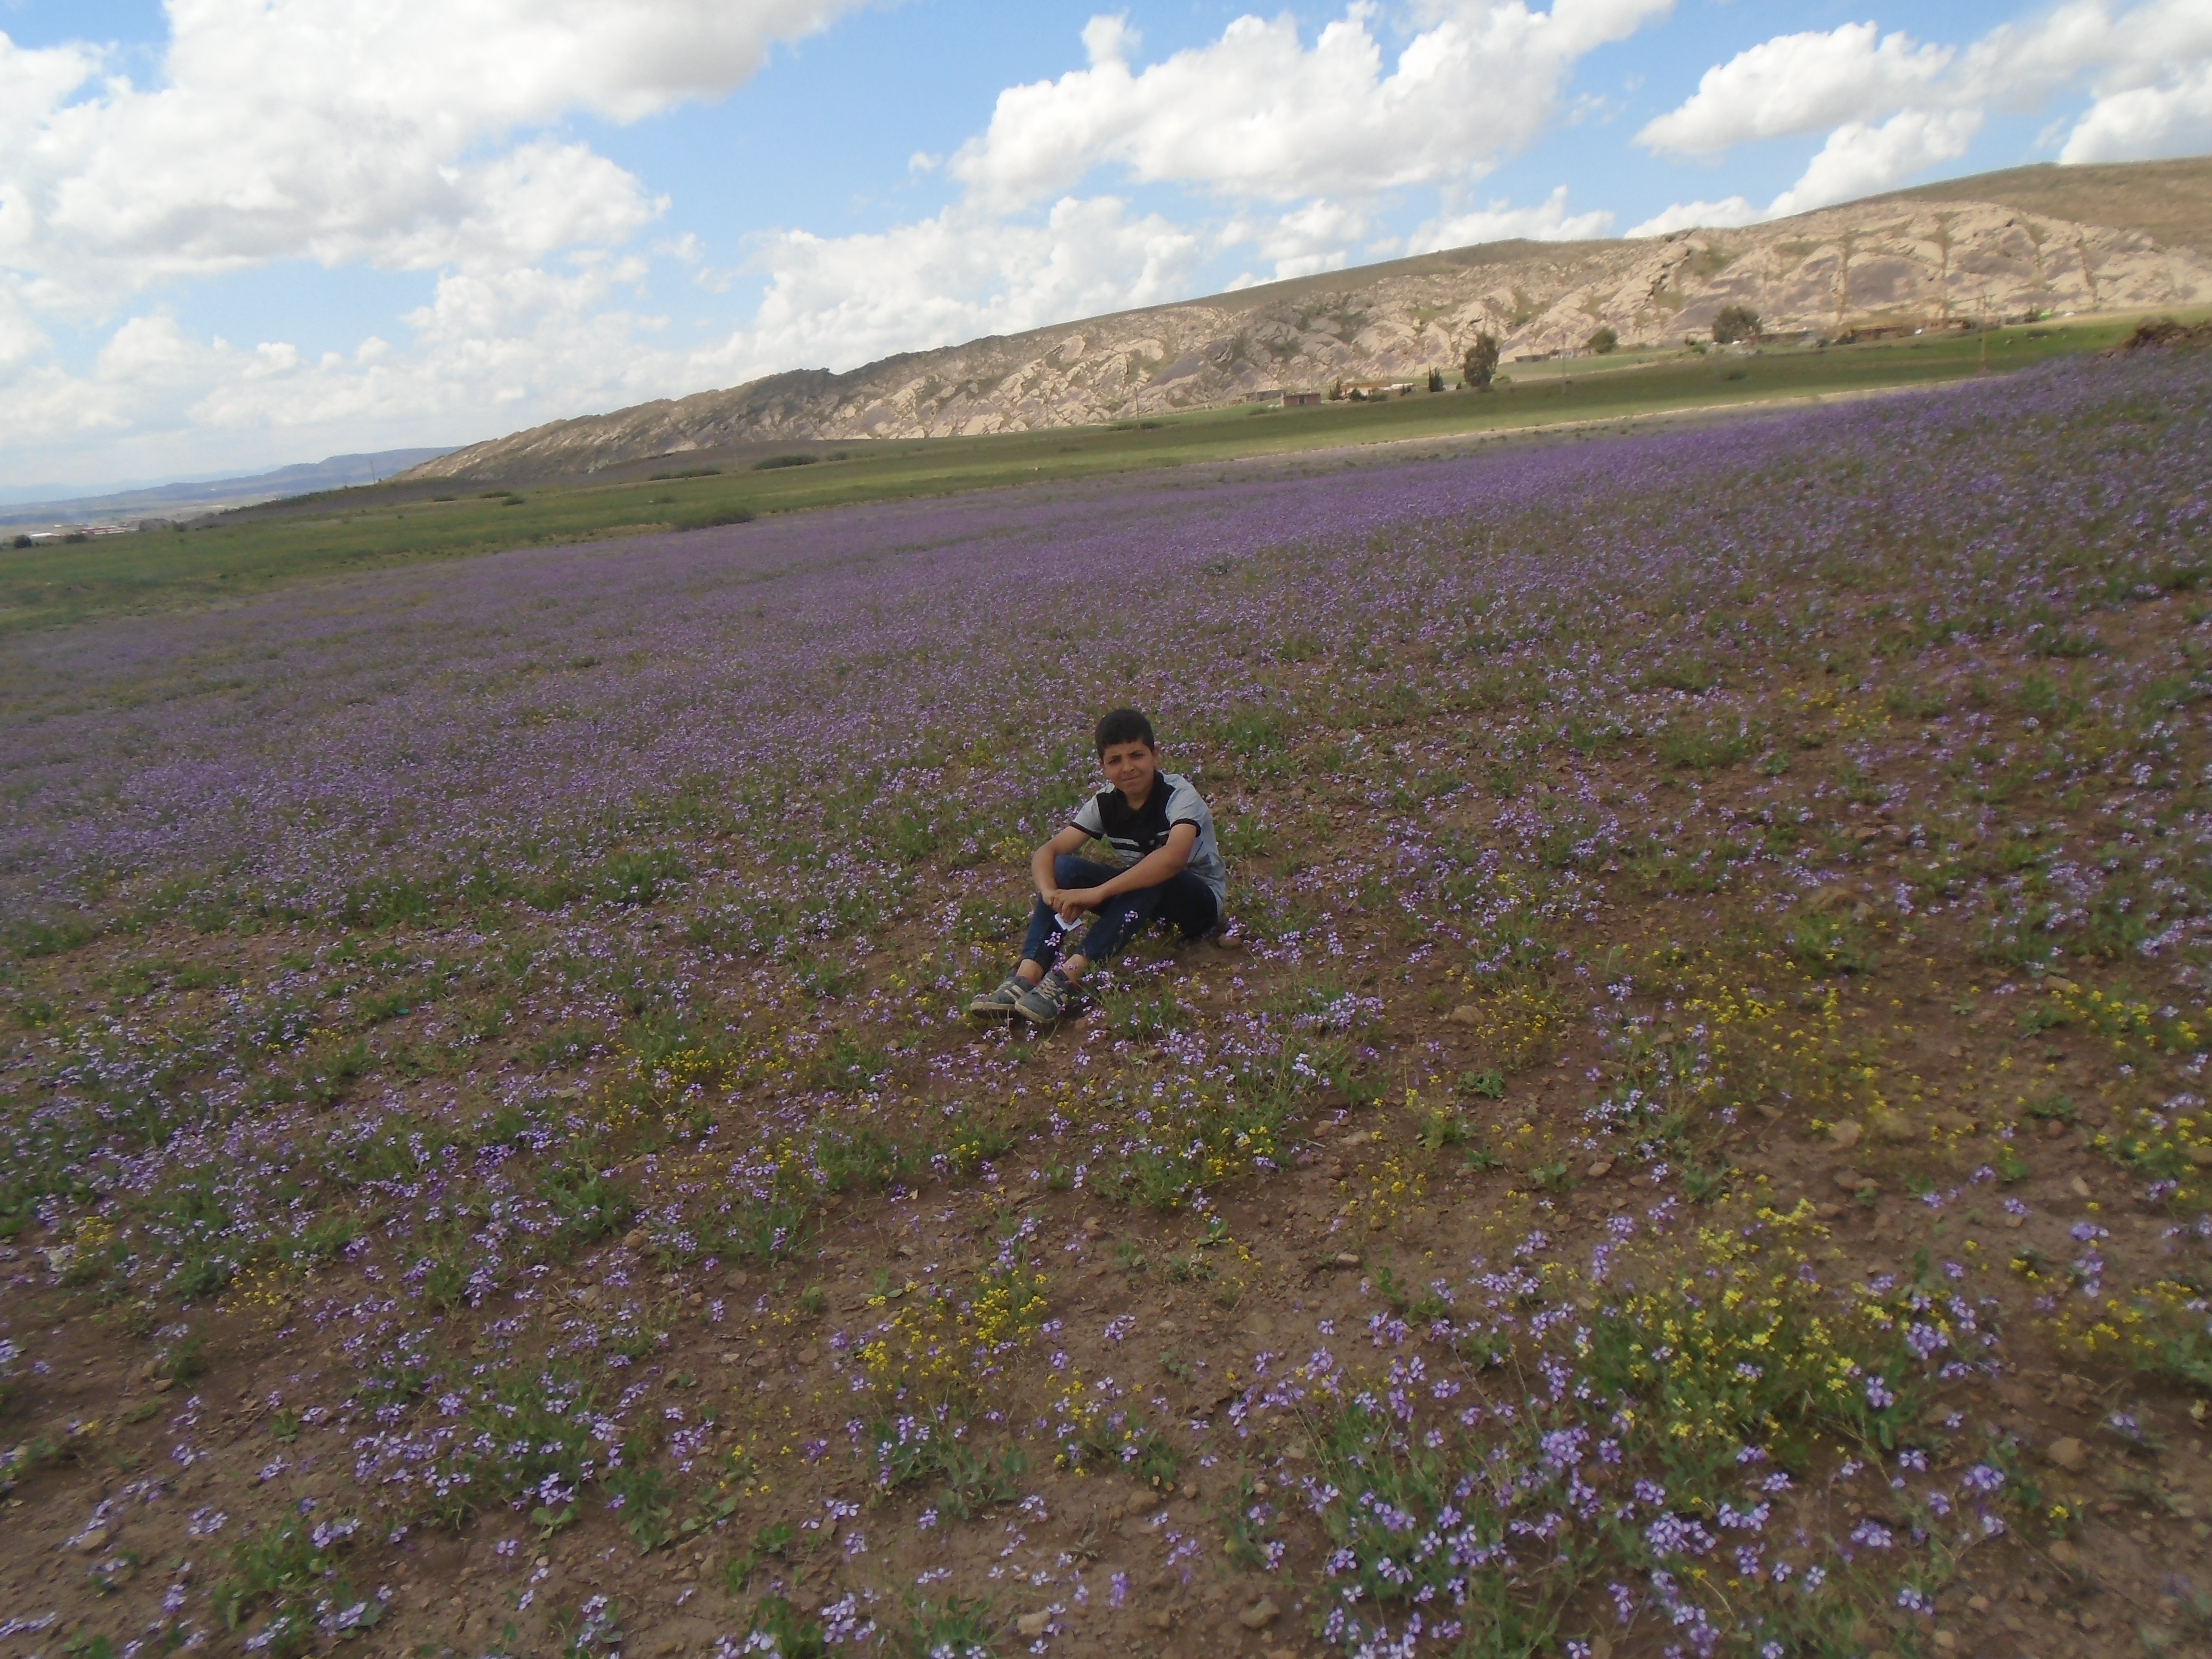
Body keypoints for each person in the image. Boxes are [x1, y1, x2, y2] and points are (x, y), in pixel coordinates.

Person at [969, 708, 1227, 1025]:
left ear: (1155, 755)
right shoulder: (1105, 803)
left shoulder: (1179, 796)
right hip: (1145, 904)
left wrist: (1097, 893)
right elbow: (1048, 852)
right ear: (1103, 767)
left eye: (1137, 756)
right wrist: (1050, 893)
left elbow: (1172, 859)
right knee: (1064, 869)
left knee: (1154, 870)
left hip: (1198, 904)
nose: (1128, 768)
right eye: (1115, 760)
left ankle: (1071, 977)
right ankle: (1028, 974)